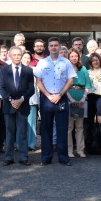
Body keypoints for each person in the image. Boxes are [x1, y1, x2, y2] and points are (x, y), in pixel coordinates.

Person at [34, 37, 76, 166]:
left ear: (59, 47)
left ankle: (63, 157)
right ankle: (46, 157)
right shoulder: (42, 63)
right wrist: (48, 95)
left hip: (61, 97)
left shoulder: (66, 62)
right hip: (46, 98)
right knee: (46, 128)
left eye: (56, 45)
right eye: (51, 45)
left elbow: (71, 80)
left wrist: (60, 94)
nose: (53, 47)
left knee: (62, 128)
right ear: (48, 47)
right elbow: (38, 81)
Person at [0, 46, 35, 166]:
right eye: (14, 55)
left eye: (19, 55)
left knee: (22, 132)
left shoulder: (28, 71)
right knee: (9, 132)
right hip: (9, 107)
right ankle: (8, 157)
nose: (17, 57)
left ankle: (23, 157)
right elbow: (1, 88)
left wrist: (21, 99)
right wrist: (11, 100)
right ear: (10, 55)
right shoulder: (4, 70)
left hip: (23, 106)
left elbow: (31, 89)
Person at [66, 48, 91, 158]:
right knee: (69, 127)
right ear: (68, 57)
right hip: (69, 99)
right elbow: (63, 86)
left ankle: (80, 150)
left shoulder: (83, 69)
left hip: (81, 100)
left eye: (76, 56)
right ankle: (69, 150)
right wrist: (71, 99)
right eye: (72, 56)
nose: (74, 58)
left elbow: (88, 85)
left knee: (80, 127)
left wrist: (83, 98)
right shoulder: (66, 69)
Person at [86, 53, 101, 154]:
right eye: (93, 60)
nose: (95, 62)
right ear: (90, 62)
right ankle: (90, 146)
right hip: (90, 98)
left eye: (97, 60)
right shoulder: (87, 72)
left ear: (100, 61)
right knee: (90, 123)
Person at [21, 51, 39, 151]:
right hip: (20, 100)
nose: (27, 60)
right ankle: (20, 144)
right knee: (21, 123)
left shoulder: (34, 70)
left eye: (28, 58)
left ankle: (31, 143)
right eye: (25, 57)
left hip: (32, 100)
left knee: (32, 123)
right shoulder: (18, 69)